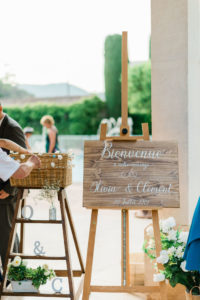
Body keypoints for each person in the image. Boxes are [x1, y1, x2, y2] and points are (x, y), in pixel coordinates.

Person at [0, 103, 28, 268]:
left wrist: (9, 190)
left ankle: (14, 274)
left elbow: (21, 160)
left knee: (6, 235)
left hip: (5, 192)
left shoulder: (12, 128)